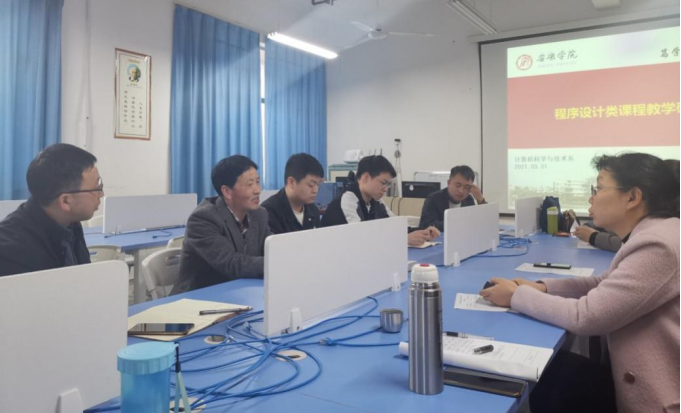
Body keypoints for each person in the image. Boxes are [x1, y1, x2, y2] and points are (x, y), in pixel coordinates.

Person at [480, 153, 680, 413]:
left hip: (658, 400)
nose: (591, 198)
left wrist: (515, 296)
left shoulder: (658, 245)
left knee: (550, 379)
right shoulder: (655, 231)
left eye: (598, 189)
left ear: (632, 197)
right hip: (637, 377)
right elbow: (605, 282)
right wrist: (542, 287)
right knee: (555, 373)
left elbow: (586, 317)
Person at [171, 155, 271, 294]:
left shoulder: (259, 214)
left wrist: (284, 256)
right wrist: (275, 261)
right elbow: (232, 264)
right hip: (199, 297)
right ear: (227, 192)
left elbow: (271, 247)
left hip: (241, 292)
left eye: (258, 182)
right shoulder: (203, 219)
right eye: (249, 184)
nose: (257, 190)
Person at [0, 144, 103, 277]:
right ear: (65, 201)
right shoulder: (11, 251)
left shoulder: (69, 222)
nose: (101, 194)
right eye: (97, 188)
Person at [320, 155, 439, 247]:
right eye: (383, 183)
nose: (385, 189)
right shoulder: (348, 199)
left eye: (388, 184)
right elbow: (360, 237)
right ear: (366, 177)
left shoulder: (376, 201)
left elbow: (395, 225)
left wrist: (423, 232)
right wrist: (404, 239)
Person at [262, 154, 323, 235]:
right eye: (311, 185)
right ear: (291, 182)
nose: (316, 190)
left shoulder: (313, 210)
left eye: (318, 184)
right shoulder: (269, 212)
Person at [419, 165, 487, 231]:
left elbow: (481, 222)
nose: (461, 191)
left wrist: (480, 200)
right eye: (458, 185)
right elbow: (427, 226)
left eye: (466, 187)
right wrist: (457, 222)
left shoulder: (468, 199)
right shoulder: (433, 199)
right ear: (449, 183)